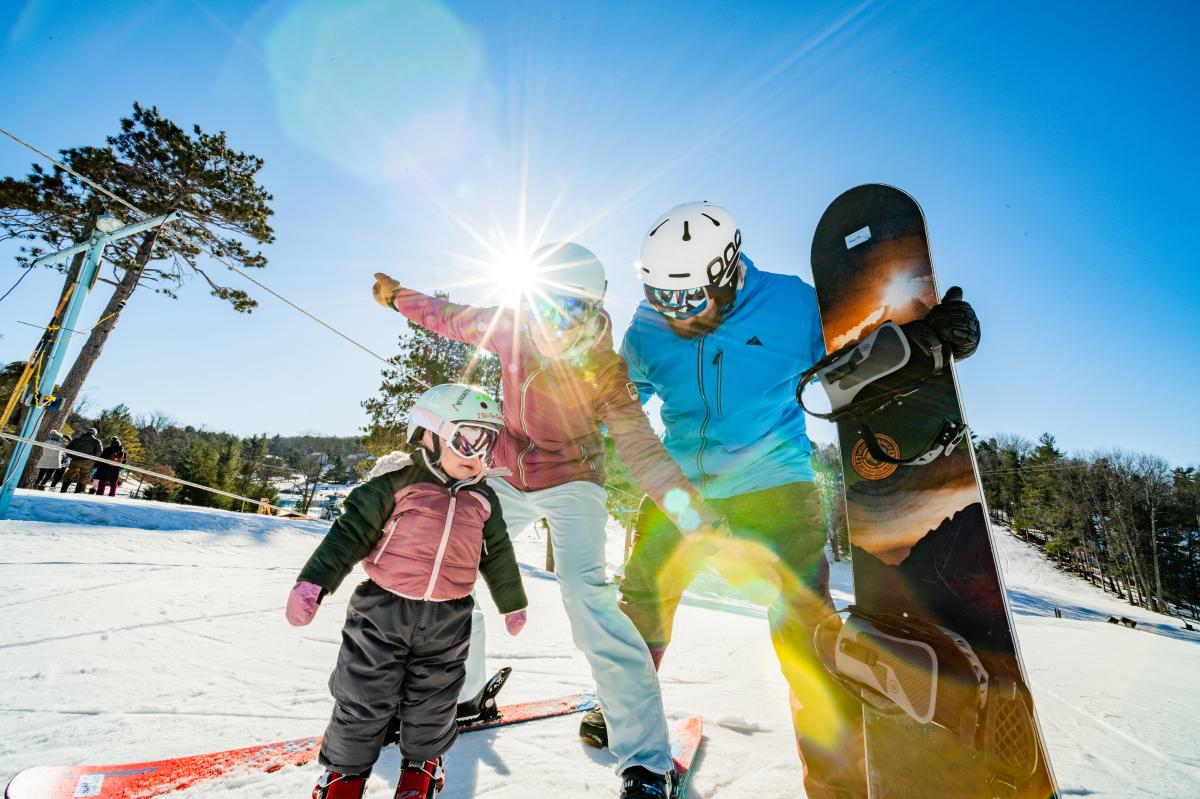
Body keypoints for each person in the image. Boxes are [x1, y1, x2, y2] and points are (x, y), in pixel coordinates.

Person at [605, 201, 981, 799]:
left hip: (775, 490)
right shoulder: (648, 327)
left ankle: (839, 784)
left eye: (686, 299)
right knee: (640, 604)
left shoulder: (792, 305)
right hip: (680, 494)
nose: (672, 314)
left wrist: (929, 338)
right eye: (658, 296)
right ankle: (625, 706)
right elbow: (617, 403)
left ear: (726, 271)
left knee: (804, 630)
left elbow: (862, 350)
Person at [372, 241, 726, 799]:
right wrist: (397, 298)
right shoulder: (513, 328)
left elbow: (642, 450)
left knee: (587, 600)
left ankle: (646, 762)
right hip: (509, 473)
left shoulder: (604, 370)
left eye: (570, 311)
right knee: (443, 567)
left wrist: (693, 516)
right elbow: (449, 317)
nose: (554, 325)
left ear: (591, 310)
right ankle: (463, 695)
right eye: (545, 308)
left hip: (572, 482)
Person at [286, 384, 527, 799]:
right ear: (431, 433)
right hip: (383, 609)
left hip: (449, 618)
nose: (479, 455)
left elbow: (498, 553)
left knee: (435, 697)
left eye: (489, 443)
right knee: (363, 693)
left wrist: (512, 602)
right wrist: (314, 582)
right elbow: (349, 535)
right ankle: (343, 775)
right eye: (469, 438)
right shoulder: (395, 483)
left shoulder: (484, 498)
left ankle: (422, 767)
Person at [60, 427, 102, 494]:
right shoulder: (96, 441)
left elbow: (68, 449)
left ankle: (63, 490)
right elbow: (99, 452)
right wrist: (93, 461)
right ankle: (77, 492)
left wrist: (72, 456)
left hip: (75, 460)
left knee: (69, 474)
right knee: (84, 476)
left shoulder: (76, 440)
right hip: (88, 461)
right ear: (95, 434)